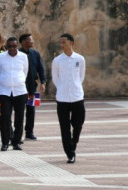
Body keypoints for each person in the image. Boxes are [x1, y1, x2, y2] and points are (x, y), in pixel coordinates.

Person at [50, 33, 86, 164]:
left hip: (77, 96)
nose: (61, 45)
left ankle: (74, 142)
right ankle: (70, 153)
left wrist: (75, 87)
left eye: (64, 42)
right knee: (64, 127)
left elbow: (81, 77)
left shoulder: (80, 59)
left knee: (78, 123)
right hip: (62, 98)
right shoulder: (57, 61)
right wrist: (62, 88)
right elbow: (55, 78)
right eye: (60, 42)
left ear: (71, 42)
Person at [0, 37, 28, 151]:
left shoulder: (23, 57)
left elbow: (25, 72)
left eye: (14, 46)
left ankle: (16, 142)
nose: (12, 49)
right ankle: (5, 142)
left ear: (17, 46)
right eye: (9, 46)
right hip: (5, 92)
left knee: (19, 118)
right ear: (6, 47)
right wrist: (5, 82)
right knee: (5, 118)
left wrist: (18, 81)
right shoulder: (0, 57)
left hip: (20, 91)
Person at [20, 33, 46, 141]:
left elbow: (41, 68)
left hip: (32, 86)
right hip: (21, 86)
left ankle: (29, 132)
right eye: (29, 40)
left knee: (31, 109)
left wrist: (43, 82)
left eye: (32, 39)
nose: (32, 41)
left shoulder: (35, 53)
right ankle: (18, 133)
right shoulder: (18, 54)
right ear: (23, 42)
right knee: (20, 110)